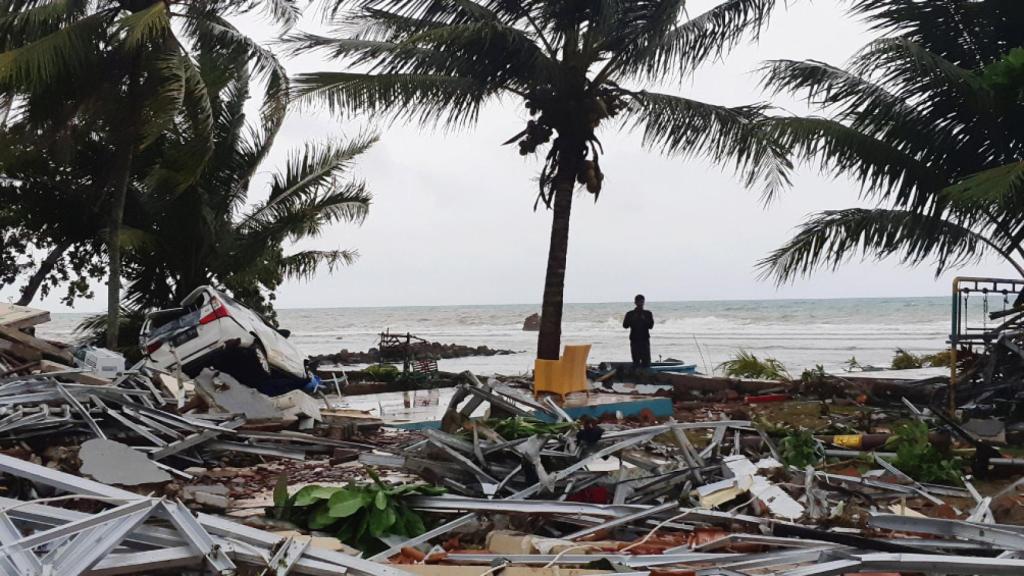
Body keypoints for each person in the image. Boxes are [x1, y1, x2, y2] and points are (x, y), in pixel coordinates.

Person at [623, 294, 654, 369]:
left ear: (644, 302)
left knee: (646, 362)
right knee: (636, 361)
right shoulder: (630, 314)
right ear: (635, 303)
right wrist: (632, 319)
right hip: (634, 340)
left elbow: (651, 326)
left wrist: (644, 319)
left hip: (644, 340)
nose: (640, 304)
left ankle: (646, 378)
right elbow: (625, 326)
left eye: (642, 302)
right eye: (638, 302)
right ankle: (637, 378)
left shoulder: (648, 313)